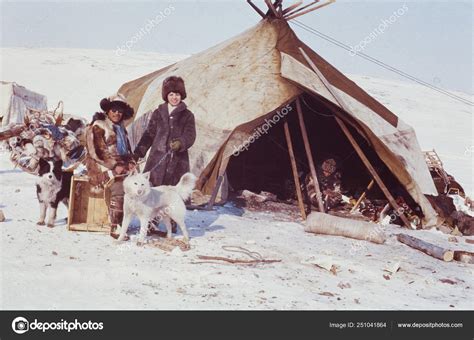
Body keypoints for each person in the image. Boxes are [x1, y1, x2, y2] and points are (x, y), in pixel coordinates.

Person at [133, 76, 196, 233]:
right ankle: (150, 223)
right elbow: (149, 134)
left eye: (177, 94)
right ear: (166, 96)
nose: (174, 97)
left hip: (177, 161)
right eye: (171, 94)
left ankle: (172, 223)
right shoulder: (158, 113)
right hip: (157, 160)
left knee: (174, 192)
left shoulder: (188, 115)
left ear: (182, 95)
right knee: (154, 192)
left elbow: (190, 135)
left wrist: (181, 143)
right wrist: (139, 152)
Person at [85, 93, 135, 239]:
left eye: (120, 111)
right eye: (114, 110)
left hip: (119, 166)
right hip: (100, 167)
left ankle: (126, 220)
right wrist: (113, 166)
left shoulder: (120, 128)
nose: (117, 113)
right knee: (119, 186)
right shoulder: (98, 126)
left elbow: (127, 150)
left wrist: (131, 162)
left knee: (137, 184)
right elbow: (97, 152)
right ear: (108, 111)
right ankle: (115, 226)